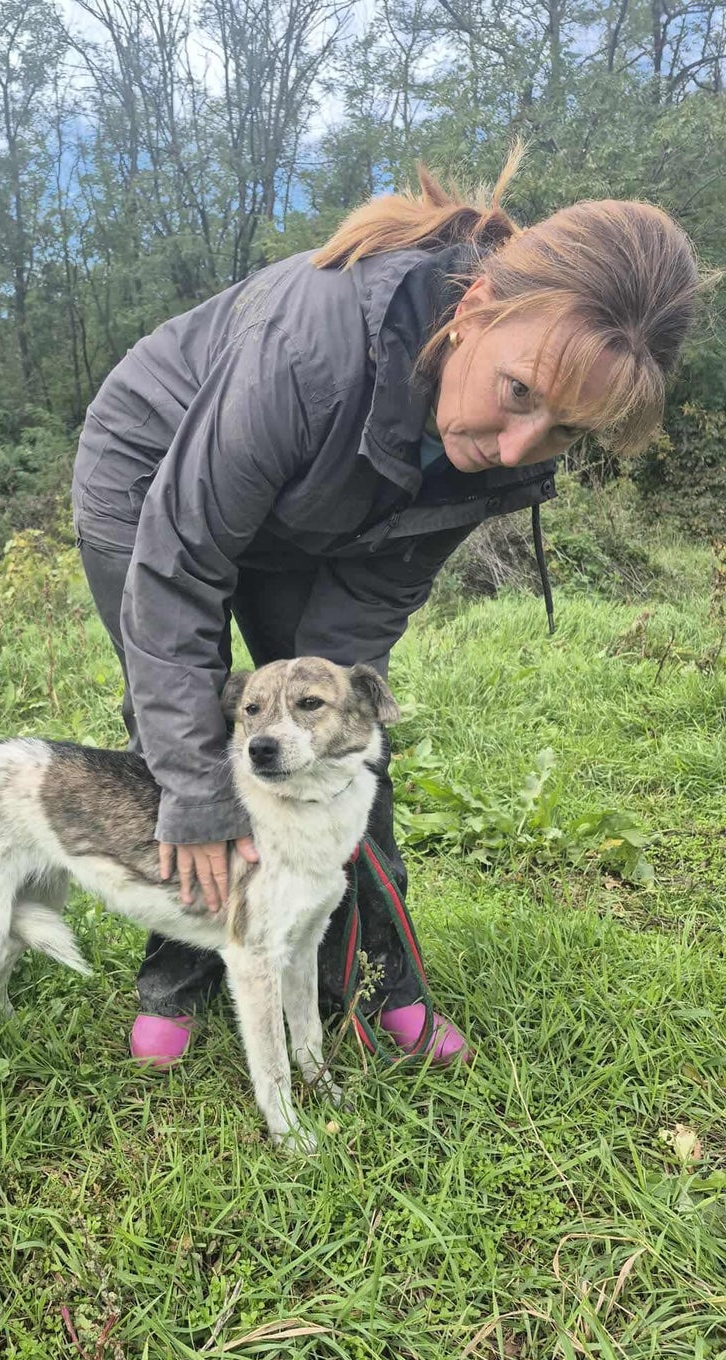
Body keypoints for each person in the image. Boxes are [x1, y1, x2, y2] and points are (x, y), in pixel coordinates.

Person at [70, 150, 701, 1069]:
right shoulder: (309, 352)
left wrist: (335, 715)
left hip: (314, 510)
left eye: (565, 429)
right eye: (518, 393)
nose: (516, 448)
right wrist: (201, 796)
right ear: (475, 308)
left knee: (336, 737)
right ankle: (181, 974)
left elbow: (369, 605)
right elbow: (180, 569)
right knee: (195, 741)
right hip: (151, 479)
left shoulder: (502, 438)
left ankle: (374, 980)